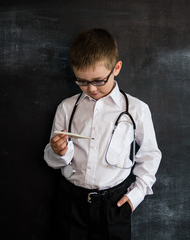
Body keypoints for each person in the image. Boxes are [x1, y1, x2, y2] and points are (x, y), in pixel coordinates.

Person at [44, 28, 161, 240]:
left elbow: (150, 155)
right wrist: (57, 151)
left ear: (116, 68)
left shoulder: (136, 109)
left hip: (113, 205)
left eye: (98, 80)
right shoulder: (67, 108)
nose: (91, 88)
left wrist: (135, 197)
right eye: (82, 81)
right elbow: (54, 160)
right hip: (71, 203)